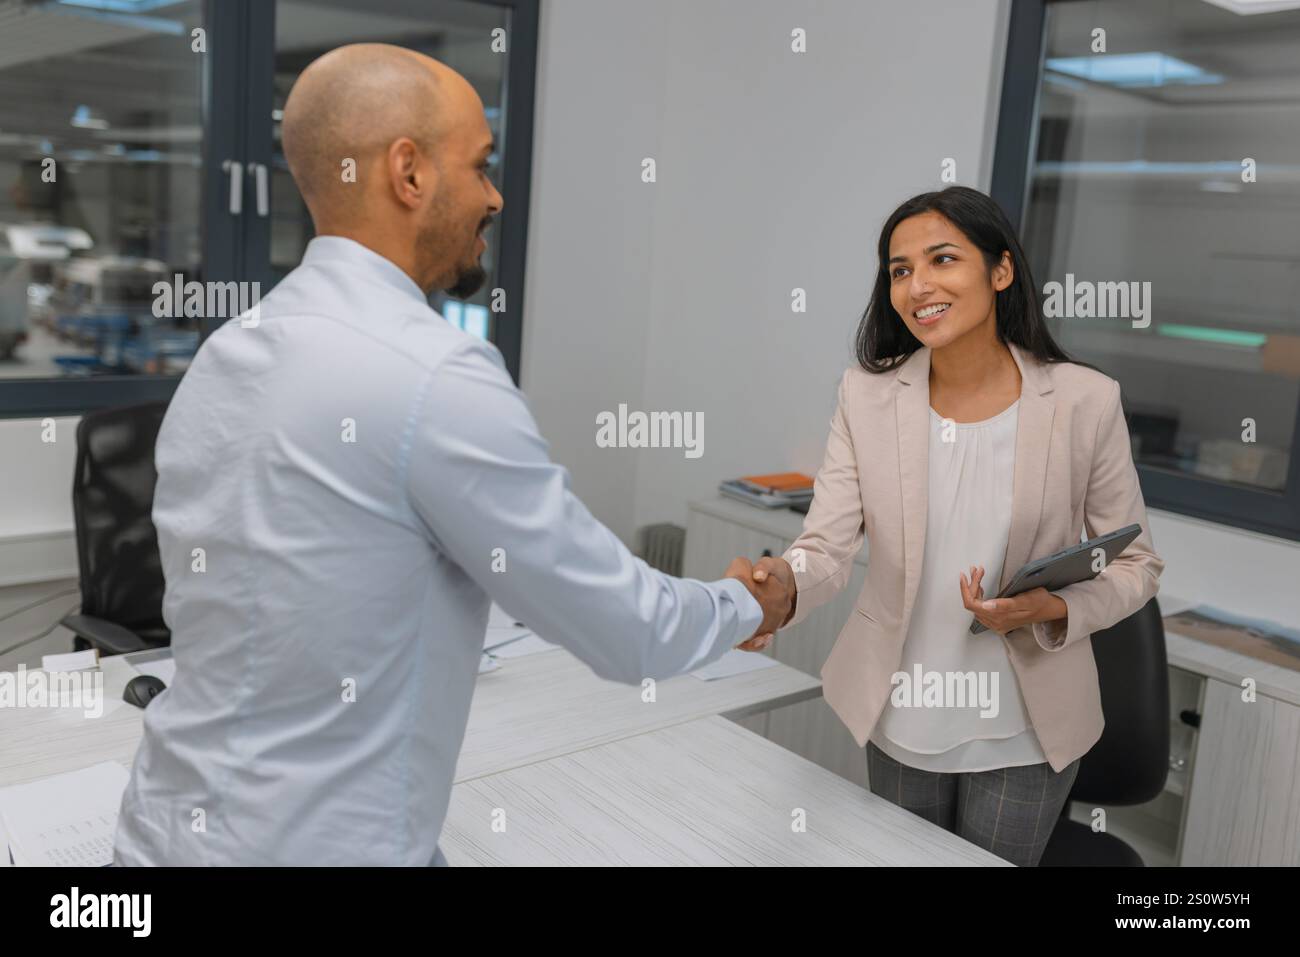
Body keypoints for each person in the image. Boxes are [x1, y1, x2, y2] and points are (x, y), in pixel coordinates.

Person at [113, 44, 789, 866]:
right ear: (409, 172)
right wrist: (754, 600)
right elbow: (628, 632)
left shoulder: (227, 352)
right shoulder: (434, 372)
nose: (495, 195)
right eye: (482, 164)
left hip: (160, 839)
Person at [736, 186, 1163, 866]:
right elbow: (826, 546)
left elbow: (1138, 565)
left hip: (1024, 726)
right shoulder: (866, 395)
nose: (918, 285)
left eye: (941, 259)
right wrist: (779, 585)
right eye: (900, 270)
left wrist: (1052, 605)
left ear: (1000, 271)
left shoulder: (1084, 400)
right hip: (903, 710)